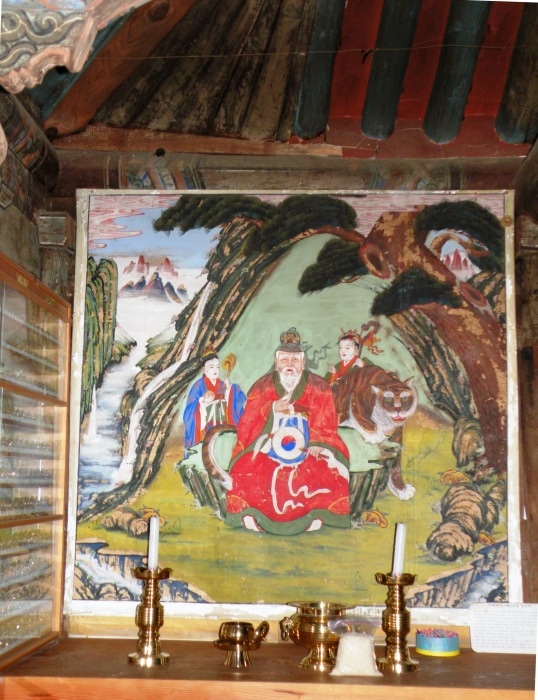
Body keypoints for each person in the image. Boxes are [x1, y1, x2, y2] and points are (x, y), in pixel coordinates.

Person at [225, 328, 350, 535]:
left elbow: (326, 420)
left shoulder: (318, 386)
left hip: (307, 446)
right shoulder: (262, 387)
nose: (289, 365)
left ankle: (314, 514)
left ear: (303, 362)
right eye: (284, 360)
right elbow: (247, 423)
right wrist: (272, 409)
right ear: (277, 362)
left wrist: (318, 443)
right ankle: (252, 513)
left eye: (294, 360)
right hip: (268, 446)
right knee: (248, 467)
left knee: (321, 468)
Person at [183, 346, 246, 456]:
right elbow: (189, 412)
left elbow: (235, 402)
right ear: (204, 369)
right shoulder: (198, 386)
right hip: (206, 430)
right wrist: (202, 402)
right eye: (211, 367)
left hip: (223, 427)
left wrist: (230, 390)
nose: (215, 370)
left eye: (217, 367)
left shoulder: (222, 384)